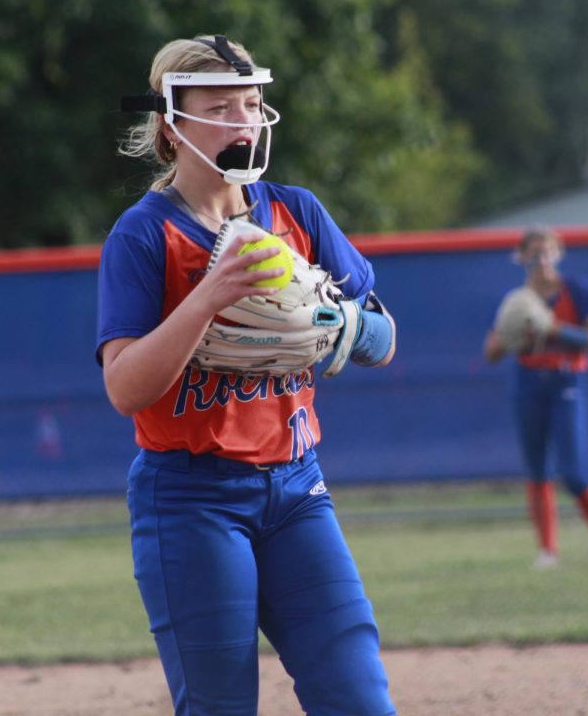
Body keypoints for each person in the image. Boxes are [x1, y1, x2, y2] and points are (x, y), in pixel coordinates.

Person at [98, 35, 398, 715]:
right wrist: (206, 300)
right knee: (220, 705)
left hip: (298, 488)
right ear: (172, 126)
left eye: (252, 103)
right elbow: (124, 388)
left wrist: (340, 327)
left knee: (358, 694)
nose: (244, 121)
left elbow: (384, 335)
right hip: (190, 496)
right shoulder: (144, 235)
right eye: (222, 107)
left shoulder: (296, 210)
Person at [483, 225, 588, 570]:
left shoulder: (576, 291)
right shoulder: (518, 301)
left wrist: (554, 329)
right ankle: (547, 552)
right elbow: (491, 351)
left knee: (574, 473)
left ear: (558, 254)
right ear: (523, 257)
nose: (542, 258)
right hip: (527, 381)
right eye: (535, 252)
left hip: (566, 381)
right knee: (537, 469)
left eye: (548, 251)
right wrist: (516, 338)